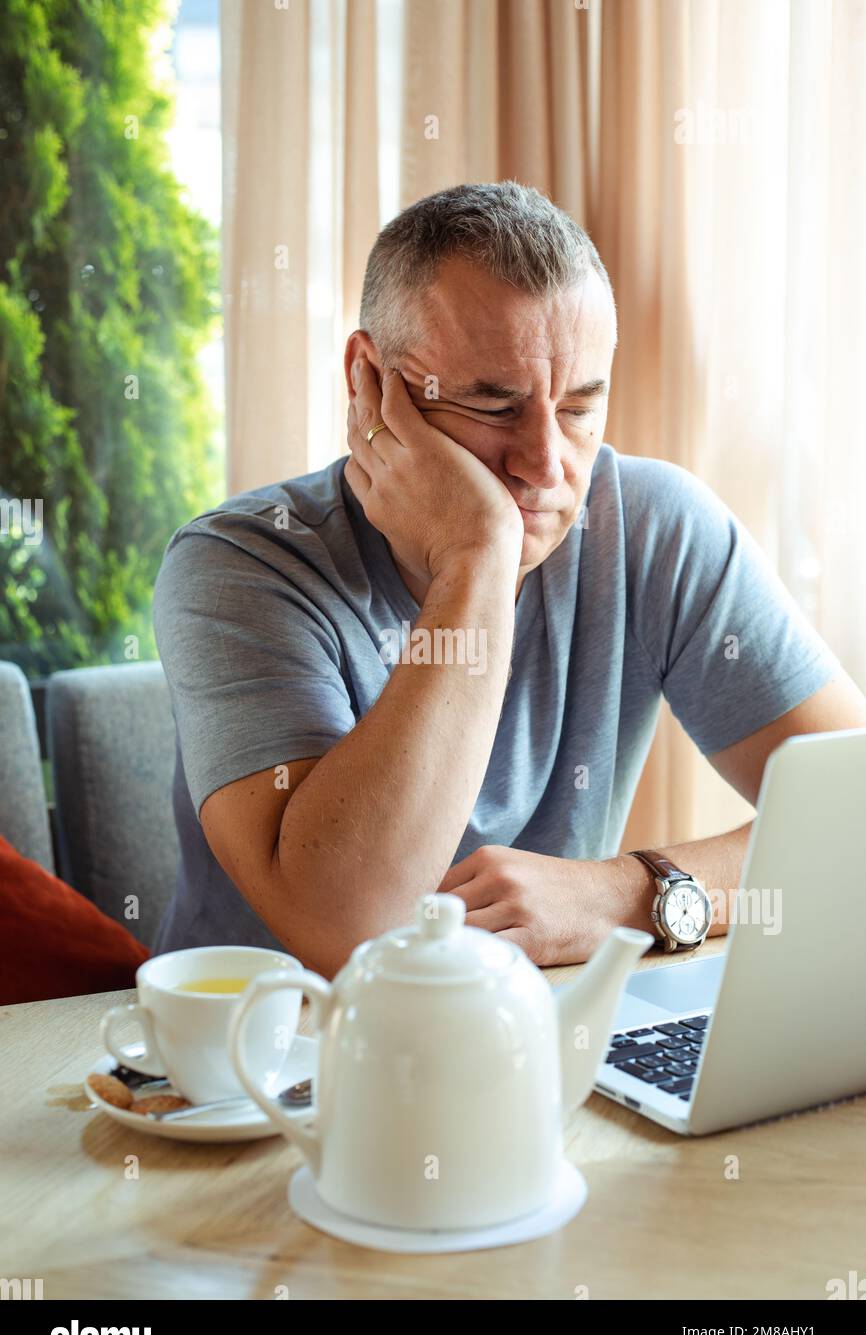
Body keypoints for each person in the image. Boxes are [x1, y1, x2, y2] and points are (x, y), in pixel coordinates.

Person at [152, 180, 866, 977]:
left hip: (540, 1041)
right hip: (270, 1071)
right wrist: (479, 556)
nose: (545, 465)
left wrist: (627, 894)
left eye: (579, 408)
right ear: (368, 382)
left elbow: (855, 812)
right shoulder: (240, 567)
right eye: (494, 408)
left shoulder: (652, 528)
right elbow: (350, 927)